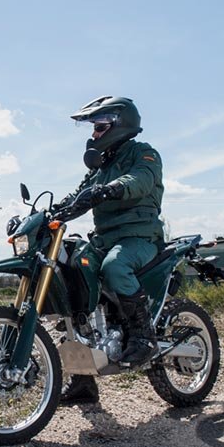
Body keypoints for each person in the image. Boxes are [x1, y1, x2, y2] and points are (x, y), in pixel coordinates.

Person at [56, 96, 165, 404]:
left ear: (120, 125)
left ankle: (144, 337)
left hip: (138, 237)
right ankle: (84, 379)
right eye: (93, 128)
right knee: (74, 276)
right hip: (104, 237)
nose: (94, 135)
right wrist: (55, 212)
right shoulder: (101, 165)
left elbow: (141, 180)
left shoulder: (143, 153)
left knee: (115, 267)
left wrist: (112, 188)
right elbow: (79, 195)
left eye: (100, 127)